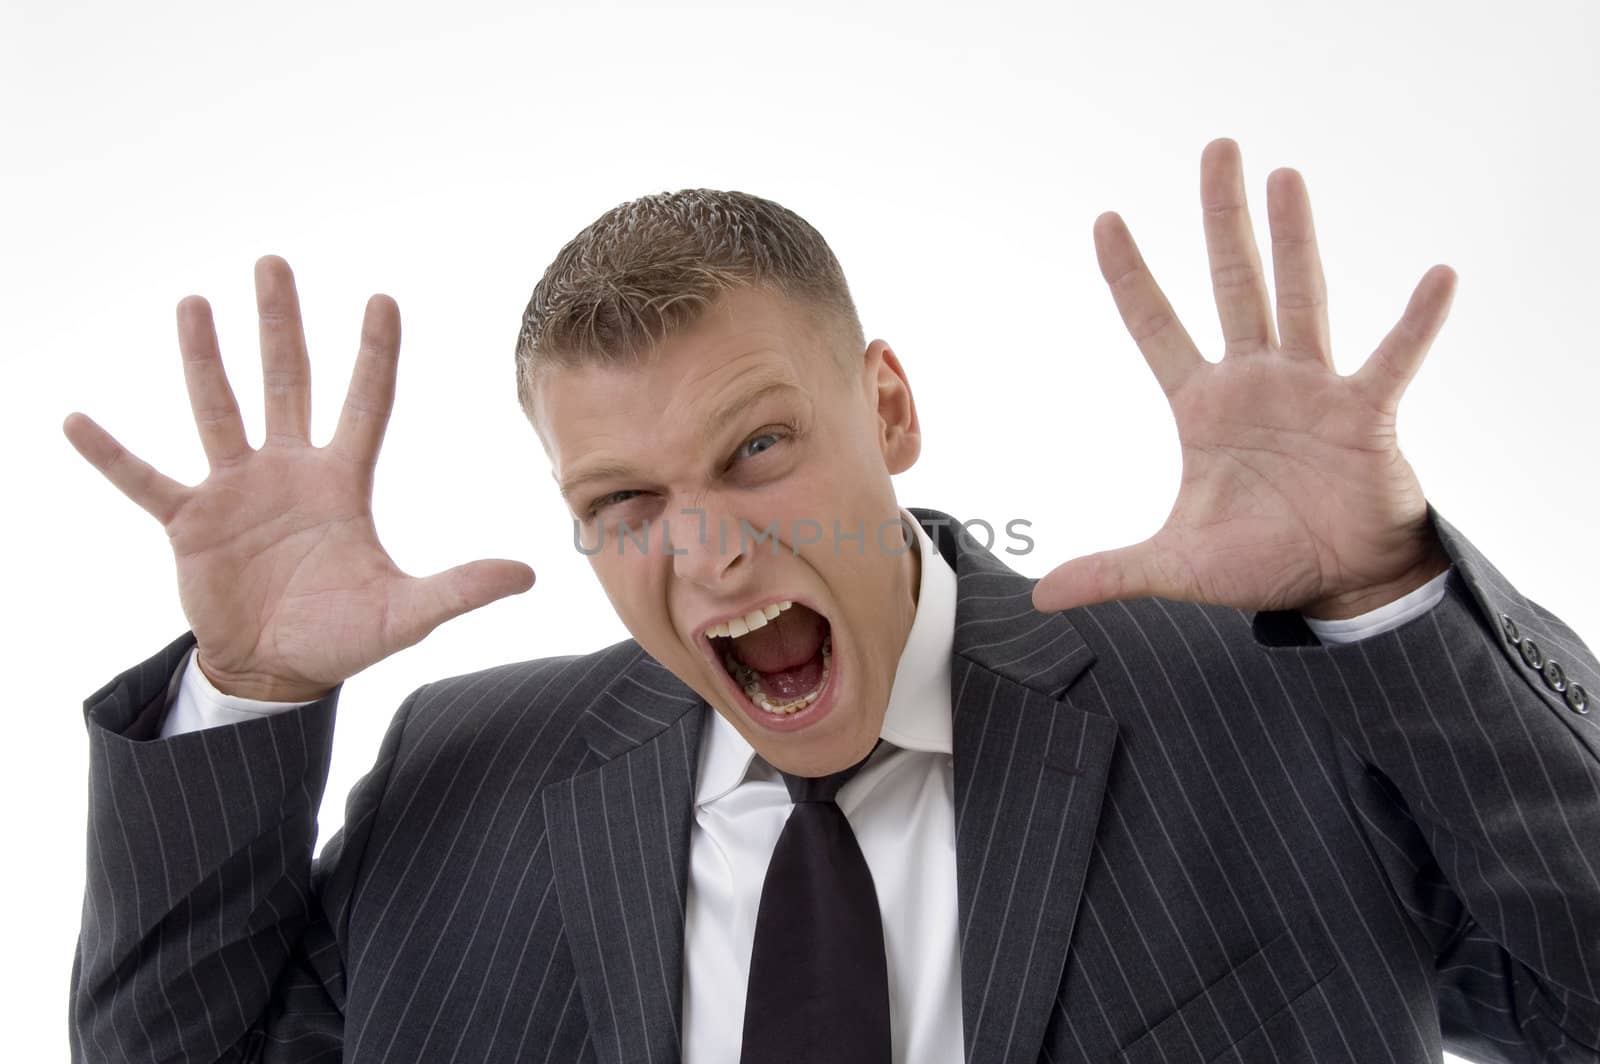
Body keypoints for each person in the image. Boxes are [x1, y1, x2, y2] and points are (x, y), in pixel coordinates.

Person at [64, 138, 1598, 1063]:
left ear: (891, 407)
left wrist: (1390, 597)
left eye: (760, 449)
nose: (712, 555)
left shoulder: (1248, 689)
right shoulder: (465, 773)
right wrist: (248, 690)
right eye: (626, 504)